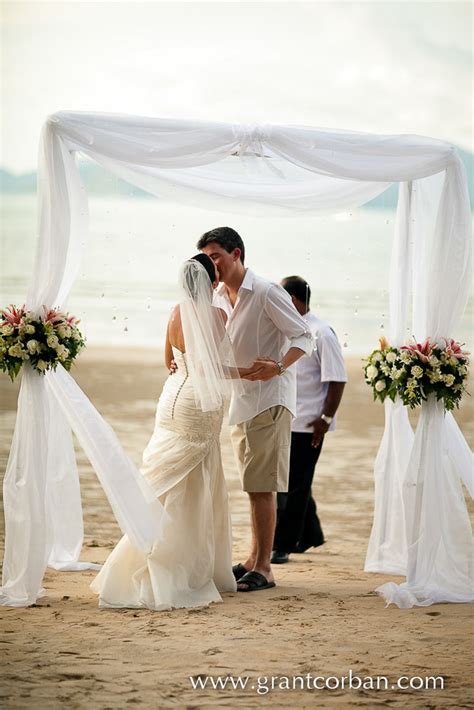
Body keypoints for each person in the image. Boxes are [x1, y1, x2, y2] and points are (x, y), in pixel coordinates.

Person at [90, 254, 239, 610]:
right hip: (198, 404)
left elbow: (168, 360)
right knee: (194, 483)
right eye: (215, 274)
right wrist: (254, 371)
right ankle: (178, 567)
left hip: (173, 396)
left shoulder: (175, 312)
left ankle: (142, 549)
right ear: (208, 281)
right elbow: (213, 367)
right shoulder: (217, 315)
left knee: (167, 481)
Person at [197, 227, 314, 592]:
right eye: (206, 256)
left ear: (236, 254)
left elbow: (304, 336)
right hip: (240, 400)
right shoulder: (216, 296)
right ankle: (252, 558)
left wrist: (277, 366)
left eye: (215, 255)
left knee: (263, 487)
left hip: (270, 400)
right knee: (253, 486)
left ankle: (265, 567)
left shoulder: (265, 291)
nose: (210, 263)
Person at [271, 276, 347, 564]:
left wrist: (325, 418)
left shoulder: (322, 333)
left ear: (292, 300)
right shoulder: (286, 329)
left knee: (293, 486)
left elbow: (337, 379)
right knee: (295, 481)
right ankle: (310, 534)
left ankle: (283, 545)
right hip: (283, 418)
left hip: (309, 422)